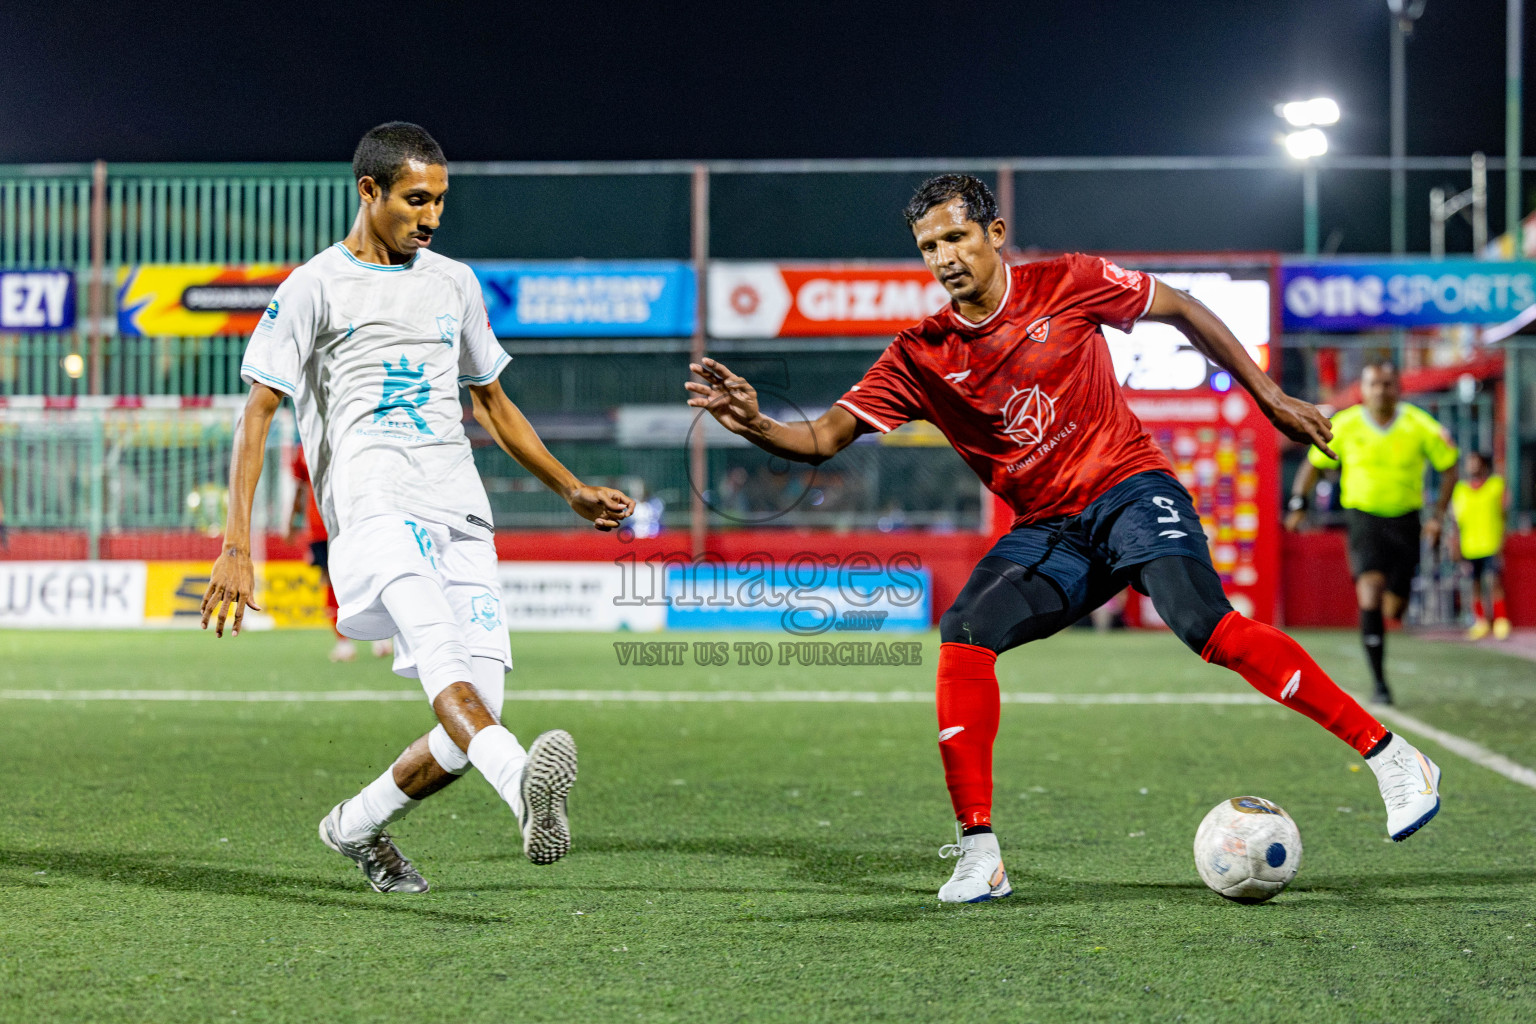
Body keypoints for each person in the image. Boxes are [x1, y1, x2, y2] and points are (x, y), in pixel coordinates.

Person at [686, 174, 1443, 904]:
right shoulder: (921, 353)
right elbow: (823, 438)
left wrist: (1270, 396)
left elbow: (1182, 307)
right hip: (1051, 531)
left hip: (1131, 489)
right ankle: (981, 857)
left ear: (995, 234)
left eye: (957, 236)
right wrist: (758, 424)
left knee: (1204, 626)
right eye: (928, 245)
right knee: (965, 632)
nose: (945, 256)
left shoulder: (1070, 282)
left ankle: (1393, 757)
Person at [203, 122, 635, 893]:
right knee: (442, 653)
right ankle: (521, 788)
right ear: (369, 191)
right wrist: (237, 542)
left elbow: (493, 402)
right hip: (371, 499)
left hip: (457, 503)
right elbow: (258, 411)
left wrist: (567, 486)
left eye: (439, 199)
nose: (430, 216)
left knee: (478, 708)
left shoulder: (454, 283)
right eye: (415, 199)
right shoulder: (314, 287)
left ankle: (355, 826)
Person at [1285, 362, 1458, 704]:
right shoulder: (1346, 425)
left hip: (1407, 521)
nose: (1381, 390)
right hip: (1364, 520)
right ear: (1363, 389)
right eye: (1374, 384)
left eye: (1388, 384)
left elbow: (1450, 468)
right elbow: (1314, 465)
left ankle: (1394, 608)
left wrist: (1438, 516)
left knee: (1394, 607)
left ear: (1398, 388)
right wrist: (1297, 502)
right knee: (1369, 592)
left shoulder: (1419, 425)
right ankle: (1380, 683)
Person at [285, 445, 392, 662]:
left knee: (364, 575)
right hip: (319, 526)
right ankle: (343, 643)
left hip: (350, 522)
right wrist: (291, 522)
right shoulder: (303, 449)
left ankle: (380, 636)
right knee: (330, 581)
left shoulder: (345, 436)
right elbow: (301, 487)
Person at [1450, 451, 1509, 640]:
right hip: (1470, 546)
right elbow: (1456, 521)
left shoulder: (1495, 485)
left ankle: (1501, 620)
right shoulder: (1461, 489)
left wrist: (1502, 539)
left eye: (1475, 462)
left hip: (1491, 544)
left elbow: (1504, 514)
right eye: (1469, 462)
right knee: (1473, 584)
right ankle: (1480, 621)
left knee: (1493, 581)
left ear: (1483, 464)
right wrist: (1455, 544)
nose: (1471, 466)